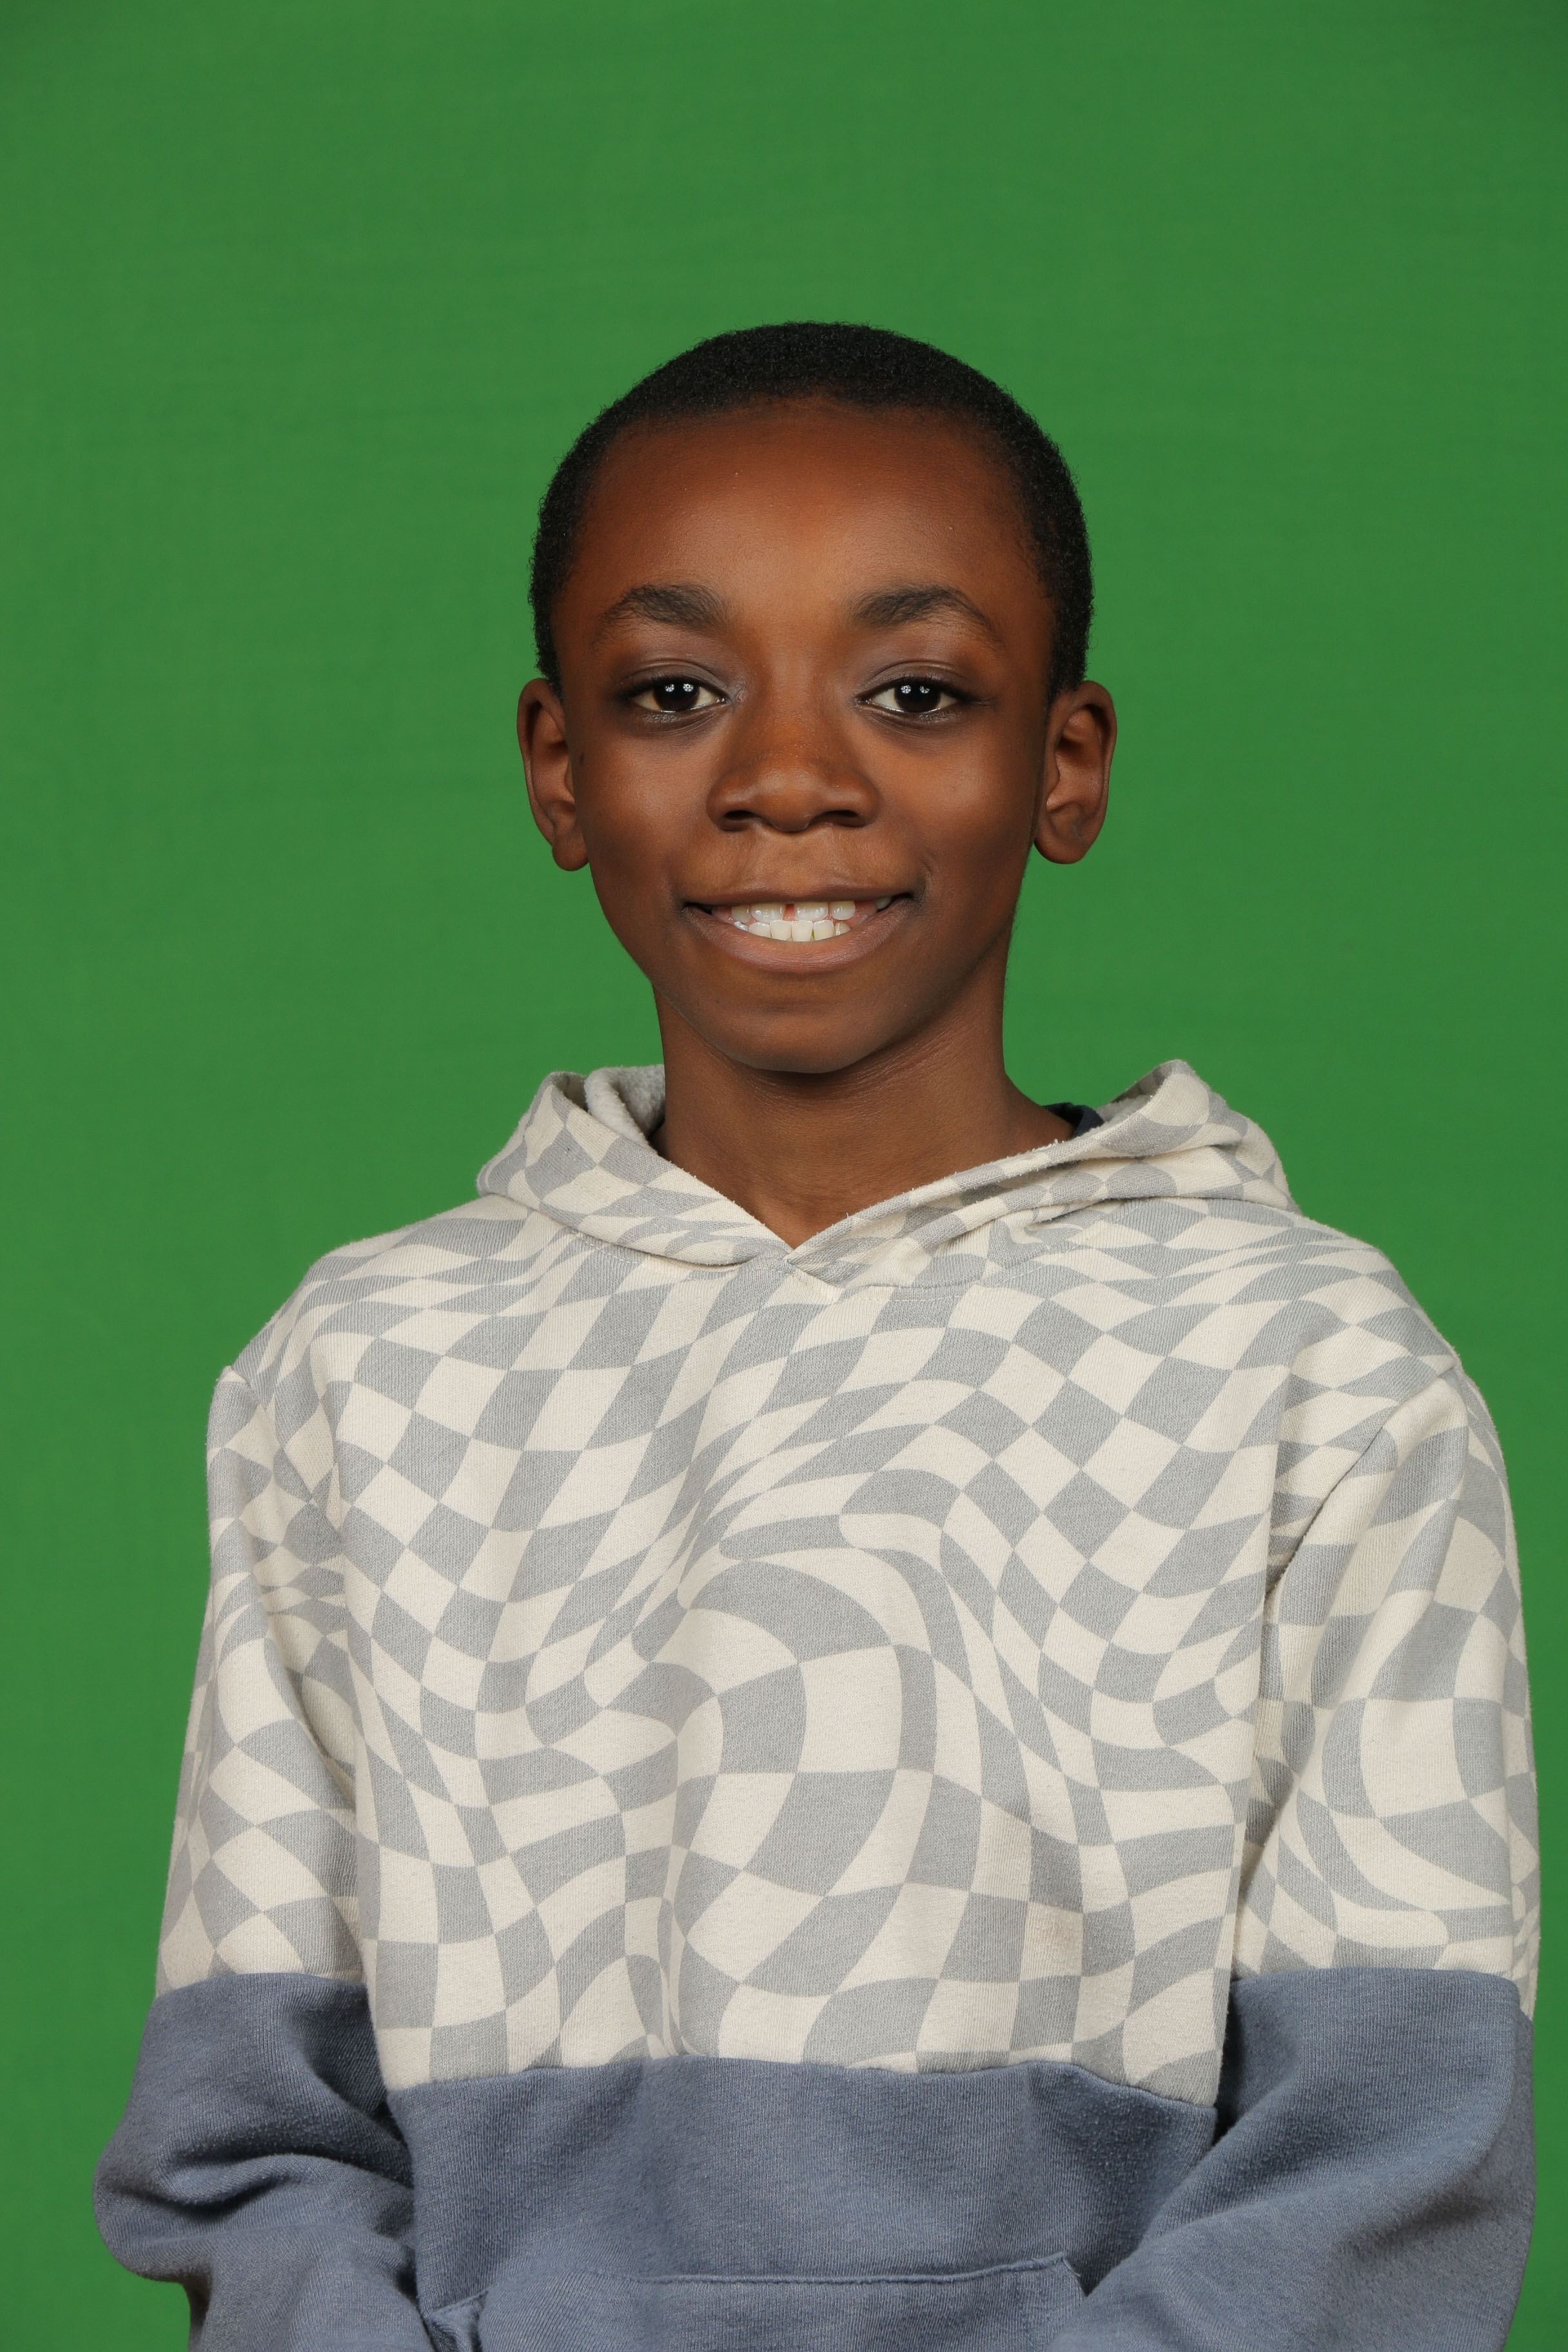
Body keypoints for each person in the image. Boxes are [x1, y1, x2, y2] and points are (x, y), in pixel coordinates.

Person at [96, 323, 1538, 2350]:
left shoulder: (1313, 1366)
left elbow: (1387, 2162)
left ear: (1065, 763)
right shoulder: (370, 1367)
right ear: (557, 766)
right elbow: (256, 2145)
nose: (788, 778)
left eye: (916, 691)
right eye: (676, 692)